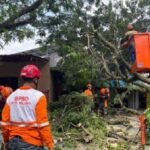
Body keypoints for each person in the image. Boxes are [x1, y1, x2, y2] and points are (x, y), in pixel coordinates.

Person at [1, 64, 54, 150]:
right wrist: (50, 145)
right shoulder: (39, 97)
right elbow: (43, 124)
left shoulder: (11, 97)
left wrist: (6, 141)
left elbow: (4, 123)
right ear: (35, 80)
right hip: (32, 143)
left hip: (13, 143)